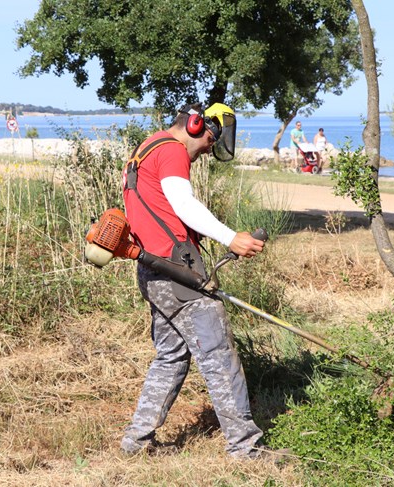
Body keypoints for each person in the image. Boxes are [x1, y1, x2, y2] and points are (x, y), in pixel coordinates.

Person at [120, 102, 272, 460]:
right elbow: (184, 204)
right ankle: (246, 449)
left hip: (153, 270)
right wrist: (230, 237)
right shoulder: (172, 151)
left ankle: (136, 442)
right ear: (193, 125)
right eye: (208, 138)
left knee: (171, 356)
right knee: (218, 354)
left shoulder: (146, 149)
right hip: (177, 270)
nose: (207, 148)